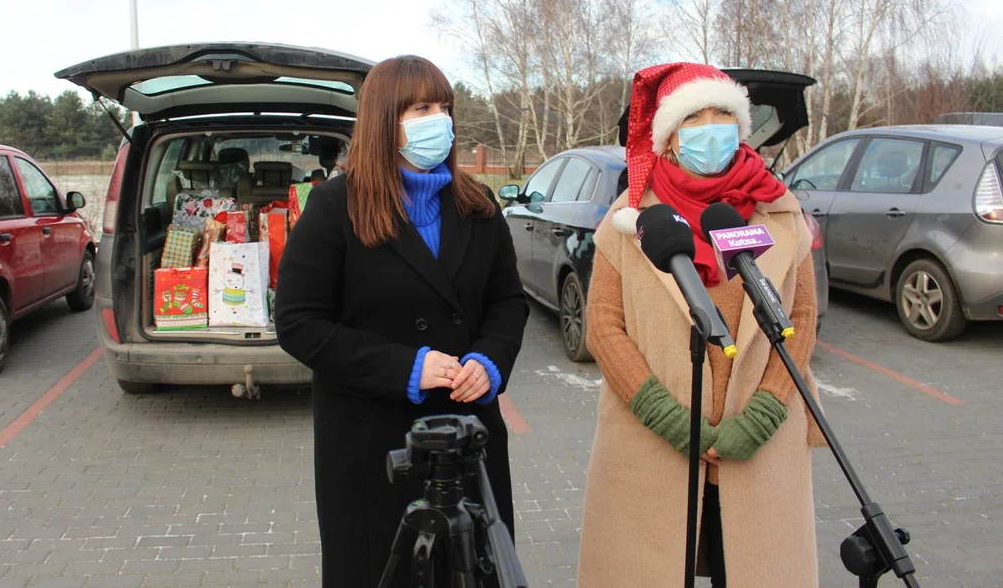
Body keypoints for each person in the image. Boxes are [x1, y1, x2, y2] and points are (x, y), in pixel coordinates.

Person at [274, 55, 529, 587]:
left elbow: (508, 303)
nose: (440, 119)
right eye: (421, 107)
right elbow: (299, 323)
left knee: (475, 572)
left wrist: (490, 360)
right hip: (373, 445)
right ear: (384, 119)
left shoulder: (479, 204)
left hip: (468, 436)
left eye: (445, 107)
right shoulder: (333, 206)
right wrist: (405, 368)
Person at [577, 63, 826, 587]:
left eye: (723, 115)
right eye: (695, 117)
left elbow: (800, 318)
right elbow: (603, 324)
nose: (712, 127)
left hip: (758, 449)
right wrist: (668, 417)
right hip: (654, 446)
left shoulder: (779, 211)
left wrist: (764, 413)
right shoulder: (630, 217)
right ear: (668, 138)